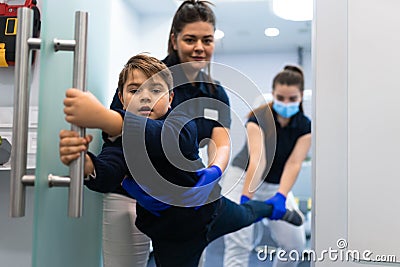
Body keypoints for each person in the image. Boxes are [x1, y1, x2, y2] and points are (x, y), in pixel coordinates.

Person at [59, 54, 303, 267]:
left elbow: (168, 138)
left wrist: (106, 119)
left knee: (247, 214)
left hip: (212, 212)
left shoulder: (179, 122)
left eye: (156, 90)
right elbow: (108, 172)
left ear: (170, 98)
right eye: (135, 90)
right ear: (121, 99)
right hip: (172, 236)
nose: (146, 97)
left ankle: (273, 209)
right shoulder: (120, 146)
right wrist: (85, 164)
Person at [222, 65, 312, 267]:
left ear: (300, 97)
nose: (286, 103)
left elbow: (294, 163)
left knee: (294, 245)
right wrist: (247, 198)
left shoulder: (305, 126)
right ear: (273, 94)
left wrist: (281, 195)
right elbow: (258, 159)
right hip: (243, 180)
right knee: (239, 242)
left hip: (276, 184)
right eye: (281, 97)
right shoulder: (259, 118)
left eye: (292, 98)